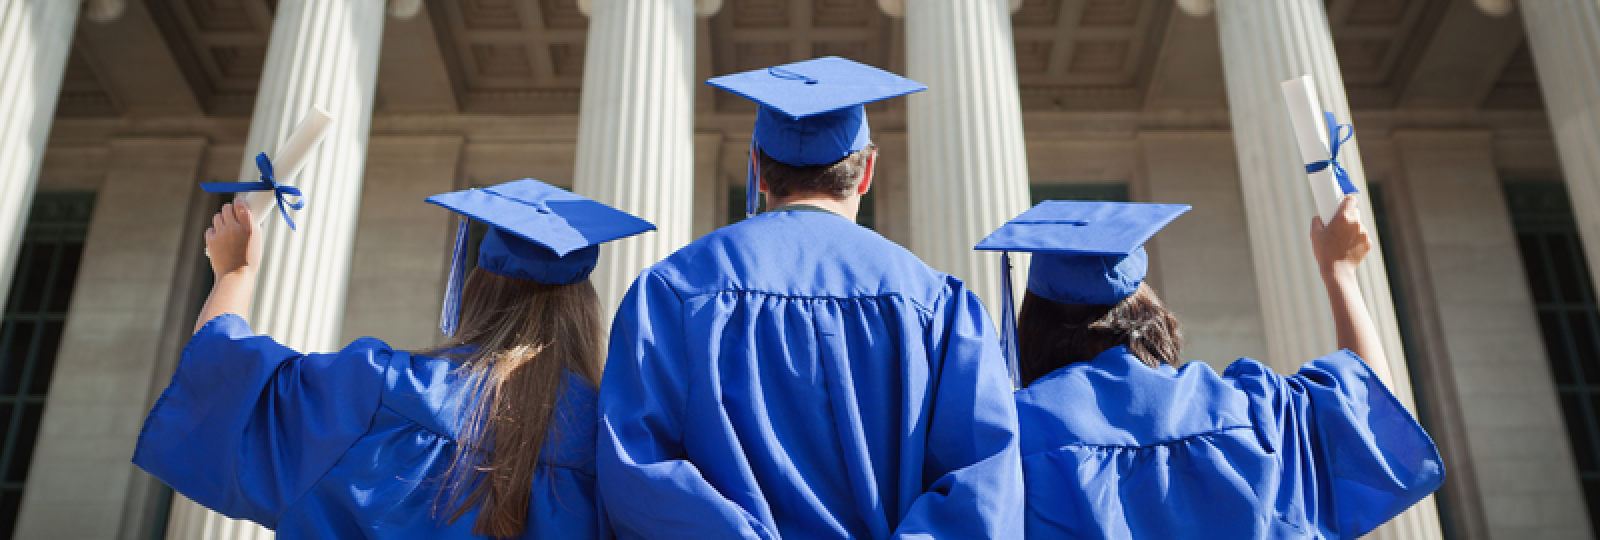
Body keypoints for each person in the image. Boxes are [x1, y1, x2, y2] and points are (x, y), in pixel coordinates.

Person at [597, 56, 1024, 538]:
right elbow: (982, 490)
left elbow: (636, 472)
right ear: (867, 172)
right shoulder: (940, 307)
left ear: (756, 167)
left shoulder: (670, 292)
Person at [133, 179, 655, 538]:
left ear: (475, 288)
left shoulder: (375, 391)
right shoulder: (617, 444)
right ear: (584, 308)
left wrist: (234, 275)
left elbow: (223, 376)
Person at [975, 195, 1444, 538]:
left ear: (1033, 326)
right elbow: (1364, 406)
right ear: (1146, 312)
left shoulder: (1008, 439)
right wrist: (1339, 272)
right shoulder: (1250, 412)